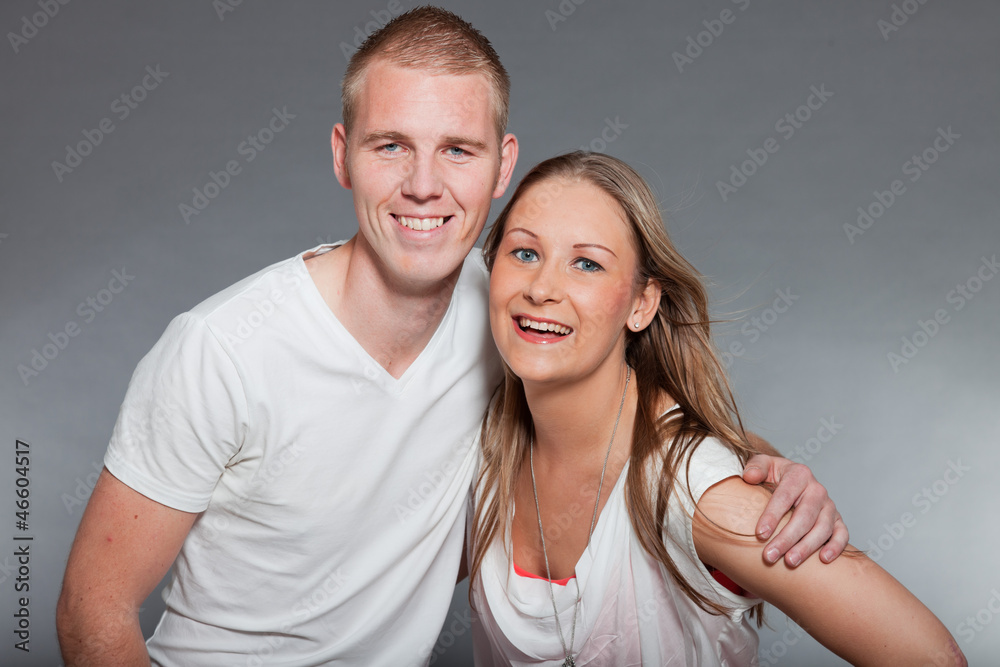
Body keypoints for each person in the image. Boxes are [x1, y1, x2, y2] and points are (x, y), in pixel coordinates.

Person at [57, 8, 847, 666]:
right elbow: (92, 606)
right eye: (390, 144)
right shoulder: (220, 349)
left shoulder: (512, 311)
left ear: (502, 166)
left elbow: (621, 414)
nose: (424, 184)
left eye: (457, 150)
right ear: (343, 156)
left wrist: (759, 467)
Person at [468, 151, 966, 666]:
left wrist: (741, 462)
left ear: (641, 304)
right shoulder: (482, 444)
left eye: (587, 264)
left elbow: (933, 657)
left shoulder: (691, 491)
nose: (542, 289)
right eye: (524, 253)